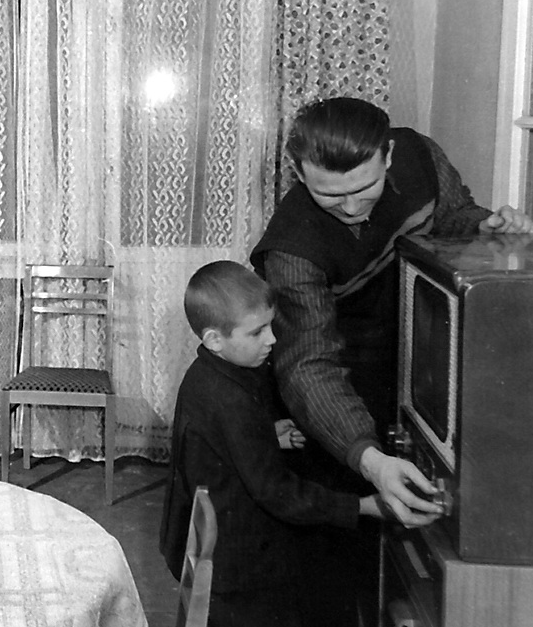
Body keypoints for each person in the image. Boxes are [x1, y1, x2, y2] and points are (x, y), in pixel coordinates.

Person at [249, 97, 533, 626]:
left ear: (388, 154)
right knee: (337, 566)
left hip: (411, 373)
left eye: (364, 189)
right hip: (335, 396)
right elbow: (309, 364)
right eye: (329, 195)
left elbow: (453, 217)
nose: (351, 208)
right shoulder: (290, 248)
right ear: (298, 173)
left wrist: (488, 227)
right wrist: (369, 459)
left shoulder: (422, 157)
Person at [158, 260, 383, 627]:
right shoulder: (231, 401)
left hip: (202, 540)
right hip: (237, 568)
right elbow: (277, 493)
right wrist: (362, 506)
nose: (272, 340)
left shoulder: (204, 374)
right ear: (214, 339)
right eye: (257, 332)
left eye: (271, 326)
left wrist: (267, 434)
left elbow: (217, 440)